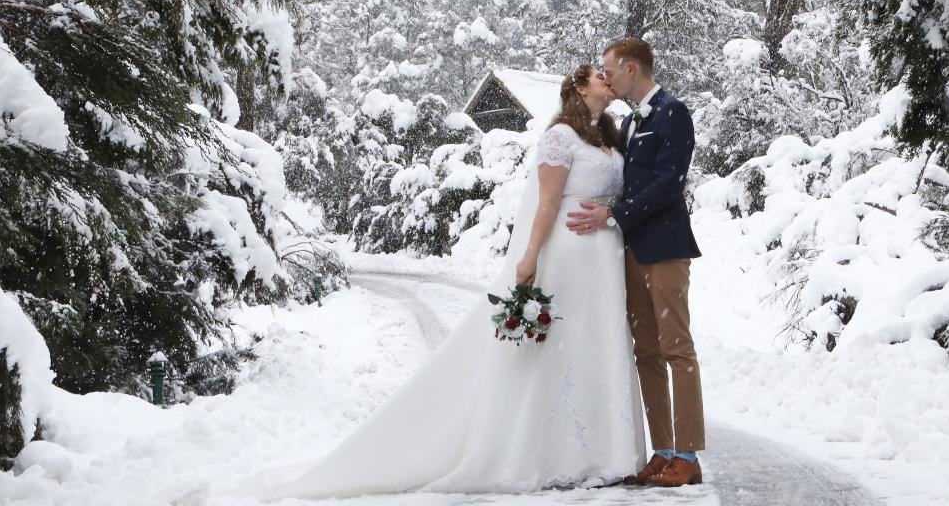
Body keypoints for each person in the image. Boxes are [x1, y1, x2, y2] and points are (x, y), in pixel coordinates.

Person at [244, 64, 645, 499]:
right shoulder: (560, 137)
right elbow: (546, 203)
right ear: (579, 88)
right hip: (567, 256)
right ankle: (554, 454)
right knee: (561, 352)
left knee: (596, 347)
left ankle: (603, 453)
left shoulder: (609, 135)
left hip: (604, 262)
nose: (608, 78)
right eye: (598, 74)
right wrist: (529, 256)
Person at [567, 37, 706, 488]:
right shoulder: (625, 122)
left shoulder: (673, 112)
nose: (606, 78)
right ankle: (662, 450)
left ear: (631, 68)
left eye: (609, 70)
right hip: (630, 250)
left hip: (666, 248)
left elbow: (670, 182)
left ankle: (688, 454)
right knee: (646, 352)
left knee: (676, 349)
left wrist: (614, 215)